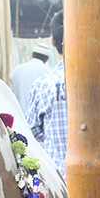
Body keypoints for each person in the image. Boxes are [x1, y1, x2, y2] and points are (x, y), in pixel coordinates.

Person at [26, 13, 68, 174]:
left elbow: (33, 133)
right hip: (99, 181)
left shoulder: (43, 84)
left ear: (53, 42)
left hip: (56, 178)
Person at [10, 41, 52, 111]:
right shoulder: (48, 73)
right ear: (47, 59)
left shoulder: (16, 70)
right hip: (39, 115)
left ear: (33, 55)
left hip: (18, 115)